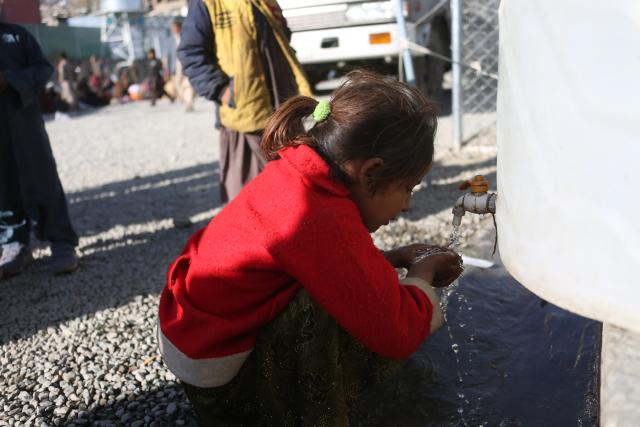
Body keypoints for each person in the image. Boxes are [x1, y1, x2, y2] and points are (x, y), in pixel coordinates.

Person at [158, 70, 464, 425]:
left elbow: (316, 262)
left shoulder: (300, 174)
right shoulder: (318, 214)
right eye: (409, 187)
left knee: (352, 291)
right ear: (370, 172)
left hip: (194, 336)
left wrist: (394, 258)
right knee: (344, 310)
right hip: (221, 378)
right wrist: (422, 274)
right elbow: (396, 332)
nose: (408, 204)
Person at [178, 0, 312, 204]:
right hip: (244, 117)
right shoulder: (207, 3)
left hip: (282, 109)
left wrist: (279, 21)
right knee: (249, 197)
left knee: (294, 189)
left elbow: (282, 38)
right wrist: (222, 90)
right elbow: (191, 53)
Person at [0, 19, 80, 277]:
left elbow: (42, 68)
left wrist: (9, 80)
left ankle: (62, 242)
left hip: (23, 123)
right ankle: (13, 243)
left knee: (42, 177)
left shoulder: (17, 35)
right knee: (4, 185)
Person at [167, 19, 195, 112]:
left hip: (186, 62)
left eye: (174, 27)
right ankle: (184, 99)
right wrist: (168, 68)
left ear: (179, 27)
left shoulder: (186, 37)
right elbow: (169, 55)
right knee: (177, 83)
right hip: (176, 65)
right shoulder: (171, 40)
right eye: (172, 28)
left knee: (188, 84)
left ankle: (189, 103)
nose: (173, 29)